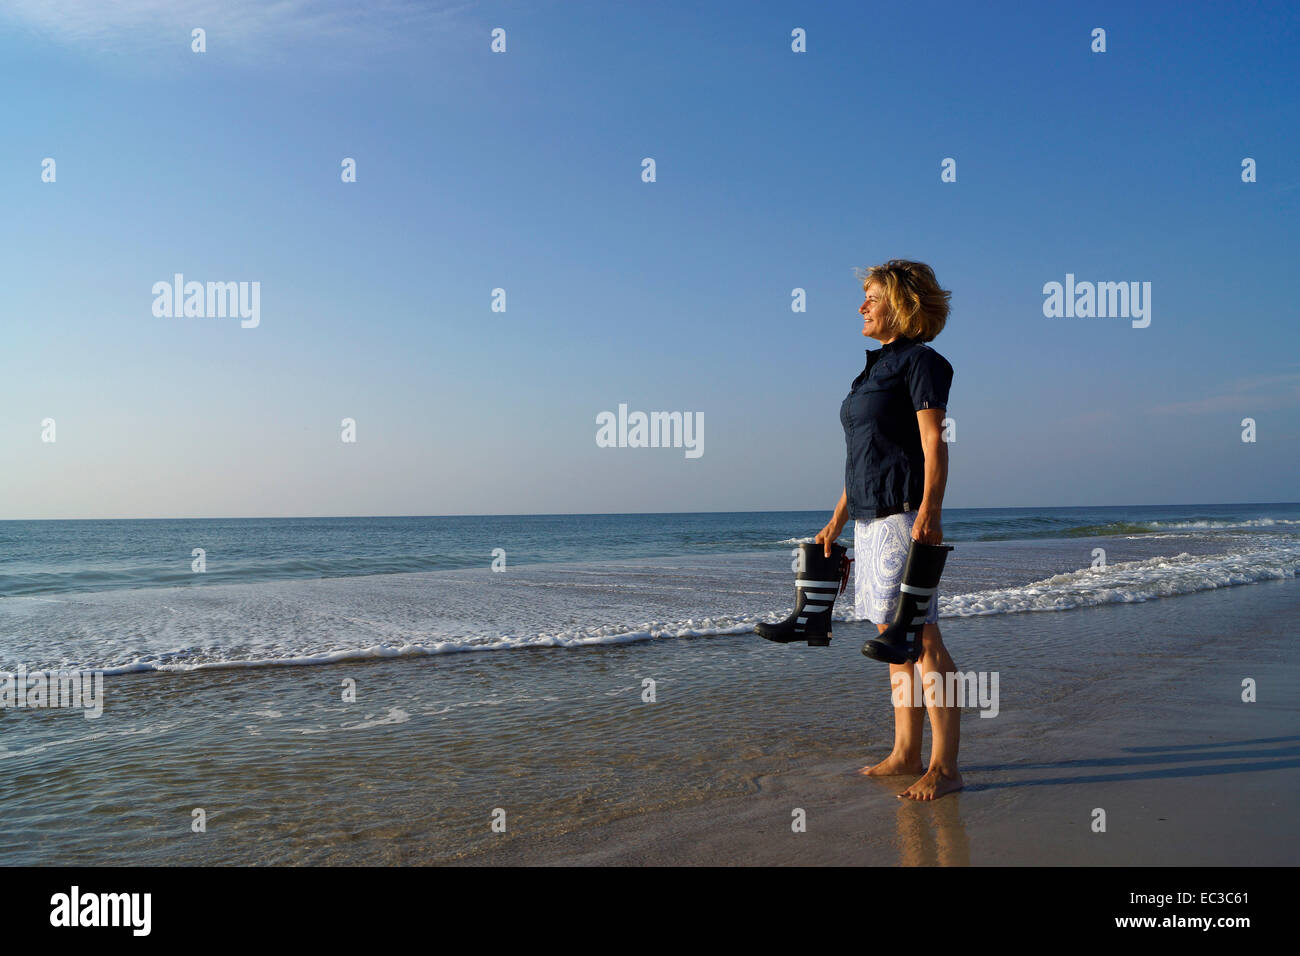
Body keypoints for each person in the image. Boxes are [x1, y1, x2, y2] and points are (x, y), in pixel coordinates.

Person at [817, 259, 962, 801]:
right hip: (869, 518)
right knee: (894, 639)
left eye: (872, 296)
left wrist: (931, 509)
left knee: (923, 638)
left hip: (904, 515)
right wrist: (837, 518)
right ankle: (906, 753)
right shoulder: (872, 371)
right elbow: (865, 455)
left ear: (900, 302)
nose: (862, 305)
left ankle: (945, 767)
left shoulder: (922, 363)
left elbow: (933, 443)